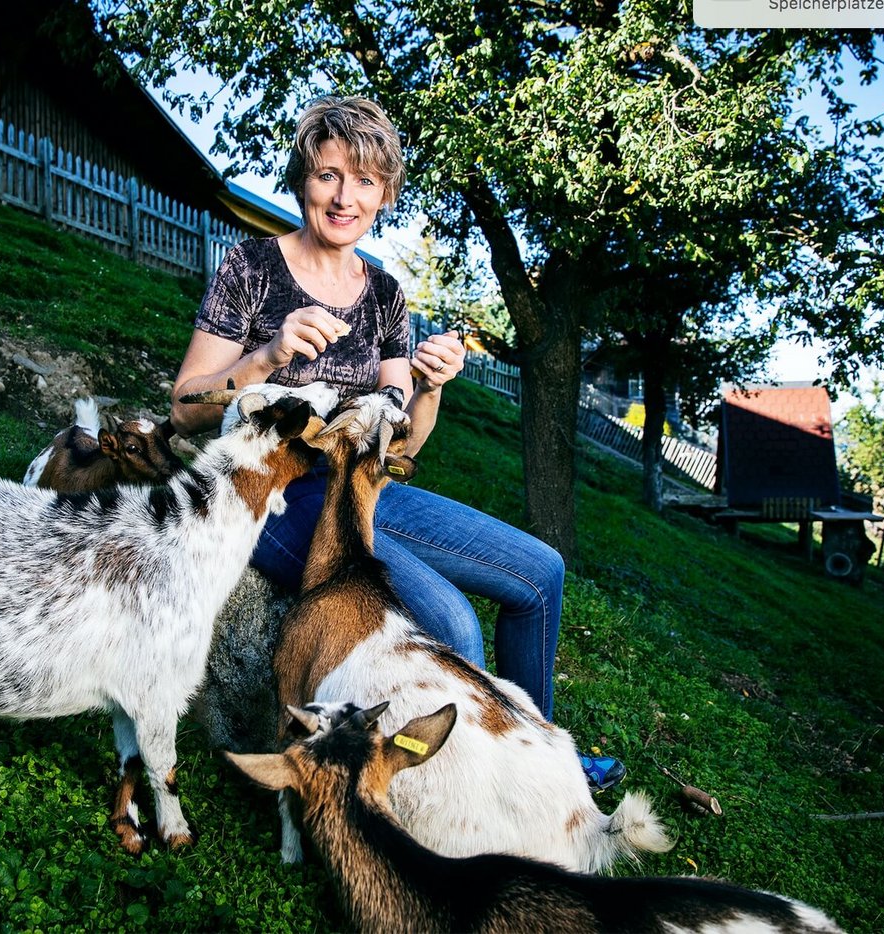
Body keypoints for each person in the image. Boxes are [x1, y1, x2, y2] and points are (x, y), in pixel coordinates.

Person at [170, 96, 623, 790]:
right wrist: (264, 356)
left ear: (385, 194)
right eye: (327, 175)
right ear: (303, 181)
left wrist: (431, 385)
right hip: (272, 495)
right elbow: (183, 409)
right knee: (450, 621)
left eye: (363, 180)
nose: (343, 196)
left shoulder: (384, 294)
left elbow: (405, 434)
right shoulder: (252, 267)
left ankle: (543, 759)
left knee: (540, 574)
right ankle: (463, 791)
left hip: (361, 485)